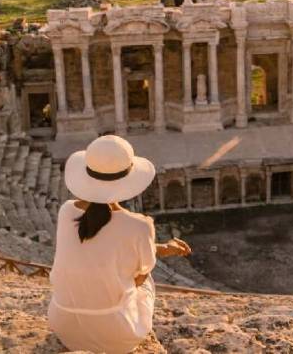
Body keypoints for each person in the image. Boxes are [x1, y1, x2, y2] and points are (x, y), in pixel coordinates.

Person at [48, 135, 191, 353]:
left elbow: (101, 246)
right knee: (146, 275)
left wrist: (163, 248)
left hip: (64, 327)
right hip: (116, 337)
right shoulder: (140, 226)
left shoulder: (66, 210)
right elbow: (138, 276)